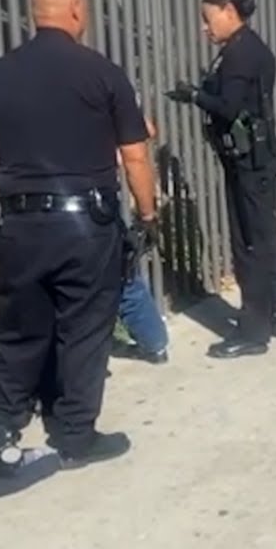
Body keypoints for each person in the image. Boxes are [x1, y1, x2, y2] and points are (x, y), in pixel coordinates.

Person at [0, 0, 158, 469]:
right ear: (75, 9)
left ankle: (2, 431)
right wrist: (148, 214)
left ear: (34, 13)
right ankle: (75, 436)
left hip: (21, 226)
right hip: (87, 225)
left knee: (19, 331)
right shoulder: (103, 73)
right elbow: (135, 155)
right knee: (85, 330)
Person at [165, 0, 276, 360]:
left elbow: (228, 106)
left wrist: (195, 96)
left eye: (207, 19)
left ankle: (254, 331)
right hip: (257, 157)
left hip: (248, 160)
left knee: (248, 244)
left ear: (228, 11)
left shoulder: (239, 54)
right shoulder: (250, 47)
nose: (204, 28)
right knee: (264, 235)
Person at [116, 115, 169, 364]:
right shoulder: (103, 91)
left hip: (47, 202)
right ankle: (154, 342)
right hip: (98, 194)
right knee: (123, 276)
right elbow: (145, 129)